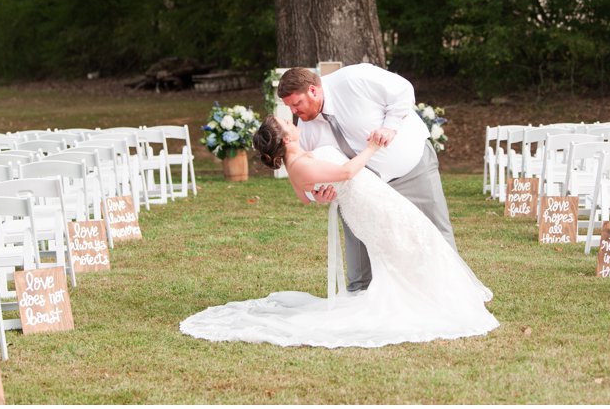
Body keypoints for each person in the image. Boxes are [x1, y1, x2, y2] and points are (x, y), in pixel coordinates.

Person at [179, 116, 497, 348]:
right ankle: (435, 300)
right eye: (284, 124)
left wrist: (320, 194)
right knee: (411, 243)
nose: (290, 122)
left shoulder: (297, 159)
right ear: (285, 138)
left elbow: (305, 195)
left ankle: (437, 294)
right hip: (369, 204)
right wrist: (372, 147)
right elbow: (345, 171)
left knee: (416, 240)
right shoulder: (299, 164)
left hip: (369, 200)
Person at [277, 64, 454, 292]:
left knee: (435, 226)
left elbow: (403, 90)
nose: (294, 112)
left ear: (312, 90)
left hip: (412, 166)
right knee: (356, 230)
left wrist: (390, 127)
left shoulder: (354, 78)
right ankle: (360, 292)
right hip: (365, 188)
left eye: (296, 104)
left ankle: (453, 288)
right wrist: (319, 194)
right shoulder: (306, 128)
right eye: (289, 107)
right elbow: (312, 171)